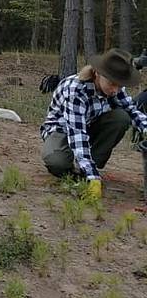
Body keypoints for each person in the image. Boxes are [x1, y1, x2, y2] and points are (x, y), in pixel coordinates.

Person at [40, 48, 147, 200]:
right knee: (57, 162)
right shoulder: (76, 90)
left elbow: (132, 110)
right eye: (112, 84)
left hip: (90, 125)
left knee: (121, 117)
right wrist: (93, 178)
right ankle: (81, 173)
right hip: (62, 130)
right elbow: (77, 134)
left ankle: (90, 168)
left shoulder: (114, 88)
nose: (115, 90)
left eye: (119, 85)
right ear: (97, 73)